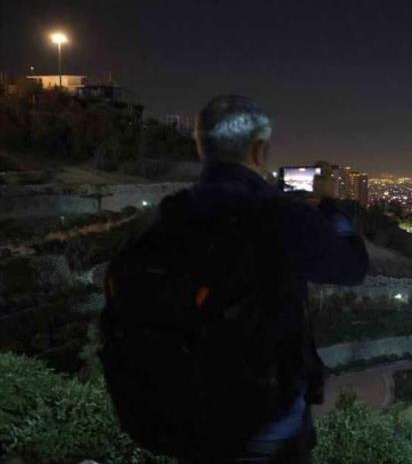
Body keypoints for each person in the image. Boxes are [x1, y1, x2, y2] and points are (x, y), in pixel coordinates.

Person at [100, 95, 368, 464]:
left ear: (200, 148)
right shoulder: (277, 215)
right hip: (267, 429)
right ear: (259, 152)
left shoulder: (167, 215)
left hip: (187, 422)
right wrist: (329, 206)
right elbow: (352, 267)